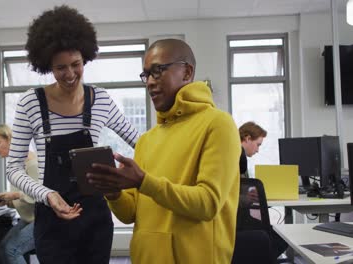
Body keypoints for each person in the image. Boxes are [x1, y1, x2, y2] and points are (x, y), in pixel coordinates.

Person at [87, 39, 241, 263]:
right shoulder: (147, 140)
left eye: (157, 71)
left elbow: (208, 204)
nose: (149, 82)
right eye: (146, 75)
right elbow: (130, 214)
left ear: (187, 72)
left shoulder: (218, 124)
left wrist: (143, 182)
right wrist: (113, 192)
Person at [5, 5, 139, 264]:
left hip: (95, 221)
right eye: (60, 68)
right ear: (47, 66)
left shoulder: (99, 99)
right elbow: (13, 167)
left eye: (76, 64)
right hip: (51, 221)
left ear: (85, 58)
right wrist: (47, 195)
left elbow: (141, 142)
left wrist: (130, 174)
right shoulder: (30, 103)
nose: (69, 74)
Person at [236, 121, 288, 260]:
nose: (258, 150)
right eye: (258, 144)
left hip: (240, 220)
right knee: (281, 237)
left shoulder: (239, 161)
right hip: (237, 223)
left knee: (279, 236)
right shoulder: (234, 159)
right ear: (247, 138)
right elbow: (228, 196)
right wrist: (247, 199)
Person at [0, 124, 37, 264]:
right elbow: (22, 198)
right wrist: (7, 201)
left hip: (41, 219)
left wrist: (15, 195)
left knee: (11, 249)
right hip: (28, 218)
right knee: (2, 247)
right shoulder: (15, 164)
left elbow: (38, 196)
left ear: (10, 140)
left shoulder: (32, 163)